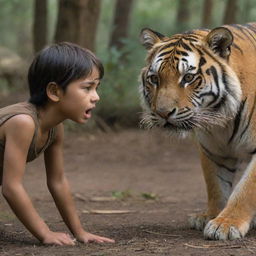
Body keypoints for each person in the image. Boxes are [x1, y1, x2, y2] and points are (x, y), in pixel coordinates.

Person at [0, 42, 115, 245]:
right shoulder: (23, 122)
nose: (96, 97)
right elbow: (11, 187)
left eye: (96, 87)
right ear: (54, 91)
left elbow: (57, 181)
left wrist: (79, 232)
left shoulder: (55, 128)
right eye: (87, 88)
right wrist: (45, 233)